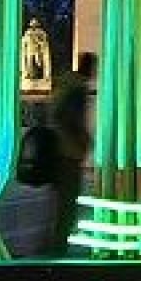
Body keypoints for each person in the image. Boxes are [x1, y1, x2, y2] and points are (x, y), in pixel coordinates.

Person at [44, 52, 96, 257]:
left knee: (59, 202)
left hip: (57, 150)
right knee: (67, 203)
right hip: (69, 152)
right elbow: (69, 118)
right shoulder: (77, 90)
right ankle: (58, 248)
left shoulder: (63, 85)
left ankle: (55, 244)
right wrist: (84, 141)